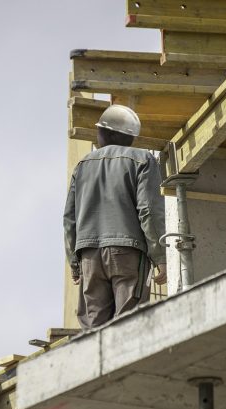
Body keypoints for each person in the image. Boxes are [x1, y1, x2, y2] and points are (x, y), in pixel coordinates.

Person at [63, 104, 167, 329]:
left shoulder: (82, 166)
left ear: (105, 133)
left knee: (94, 330)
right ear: (130, 137)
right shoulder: (142, 160)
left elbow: (69, 218)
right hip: (127, 253)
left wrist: (75, 262)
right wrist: (160, 257)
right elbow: (148, 211)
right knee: (128, 326)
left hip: (89, 256)